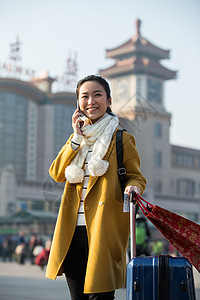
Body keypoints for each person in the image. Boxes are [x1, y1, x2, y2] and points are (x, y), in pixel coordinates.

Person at [45, 75, 146, 300]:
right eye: (85, 96)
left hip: (103, 230)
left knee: (100, 297)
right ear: (78, 103)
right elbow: (57, 173)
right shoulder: (76, 140)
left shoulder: (122, 139)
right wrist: (76, 137)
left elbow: (136, 177)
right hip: (71, 232)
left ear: (109, 101)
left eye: (97, 95)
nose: (91, 101)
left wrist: (133, 188)